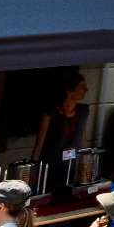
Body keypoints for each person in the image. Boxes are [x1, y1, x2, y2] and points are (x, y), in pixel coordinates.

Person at [34, 72, 89, 202]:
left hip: (71, 165)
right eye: (81, 86)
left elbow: (83, 139)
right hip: (51, 165)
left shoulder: (83, 111)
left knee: (69, 198)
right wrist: (34, 169)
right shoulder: (51, 113)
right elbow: (39, 144)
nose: (86, 90)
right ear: (70, 90)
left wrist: (85, 164)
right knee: (48, 198)